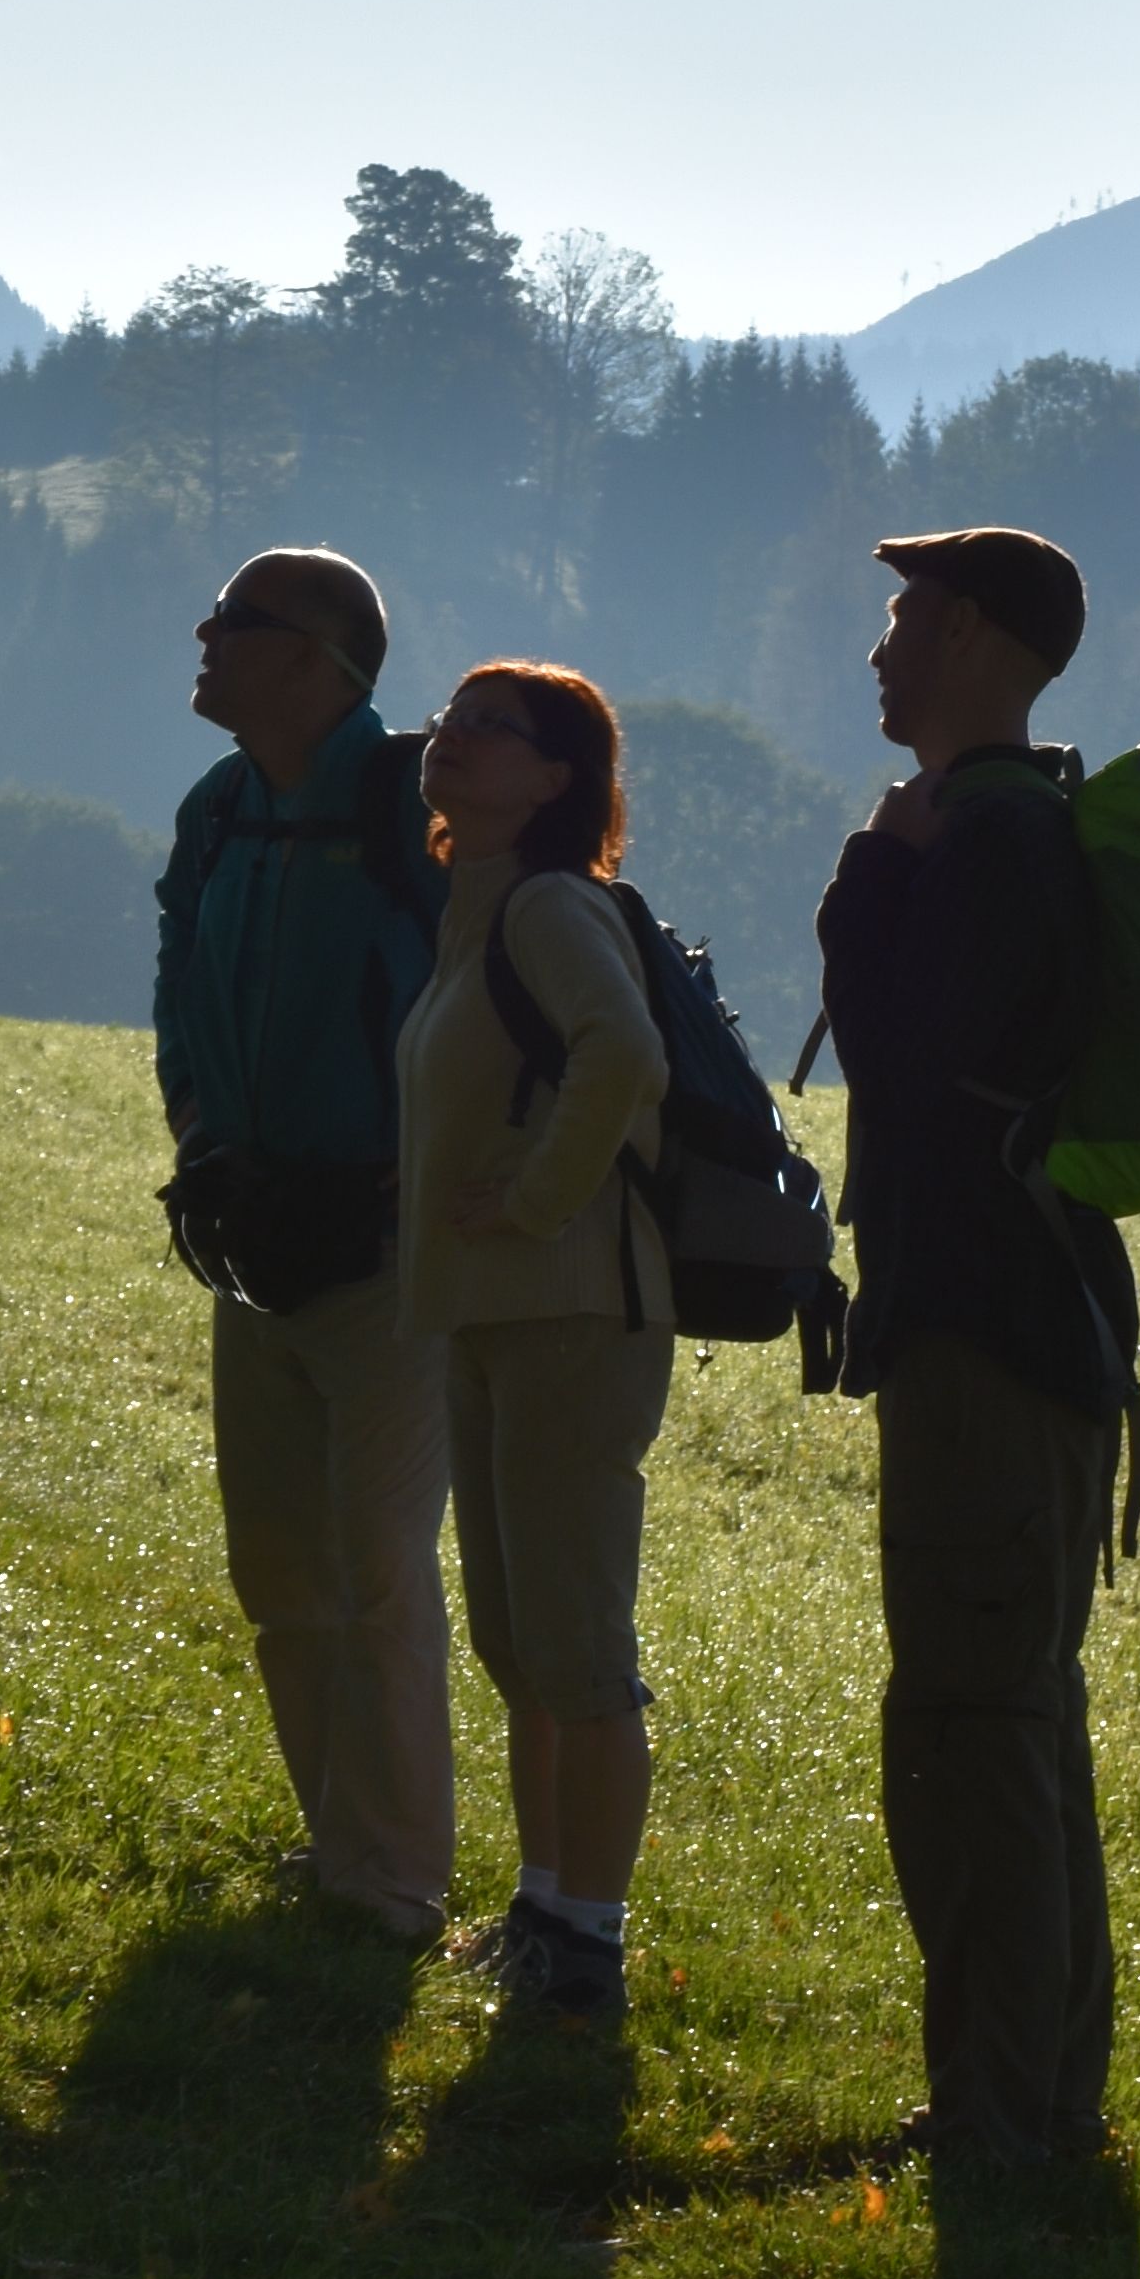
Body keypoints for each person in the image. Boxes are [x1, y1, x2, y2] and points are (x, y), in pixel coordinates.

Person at [813, 522, 1136, 2172]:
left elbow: (905, 1064)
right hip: (1030, 1331)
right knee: (1014, 1713)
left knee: (971, 1724)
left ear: (979, 641)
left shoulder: (986, 845)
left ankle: (1006, 2122)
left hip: (988, 1345)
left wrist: (870, 874)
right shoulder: (1025, 827)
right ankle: (1040, 2102)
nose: (880, 649)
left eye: (907, 619)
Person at [153, 548, 454, 1945]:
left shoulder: (416, 809)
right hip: (251, 1236)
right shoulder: (218, 811)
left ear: (323, 662)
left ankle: (391, 1884)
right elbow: (175, 988)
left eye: (240, 622)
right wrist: (200, 1132)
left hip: (396, 1252)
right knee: (279, 1565)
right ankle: (338, 1844)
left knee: (381, 1567)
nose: (207, 638)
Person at [396, 660, 675, 2021]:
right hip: (494, 1313)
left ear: (558, 778)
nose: (454, 742)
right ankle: (544, 1906)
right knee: (517, 1636)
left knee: (571, 1637)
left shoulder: (557, 905)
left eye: (492, 730)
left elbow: (623, 1056)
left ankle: (591, 1942)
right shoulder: (482, 911)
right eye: (452, 721)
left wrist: (531, 1199)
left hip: (572, 1310)